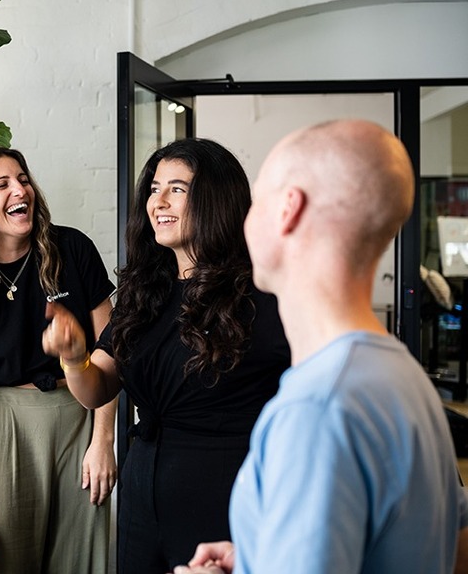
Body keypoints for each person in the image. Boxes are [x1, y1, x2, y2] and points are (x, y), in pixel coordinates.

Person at [172, 119, 468, 574]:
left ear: (288, 209)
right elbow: (453, 545)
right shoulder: (402, 374)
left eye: (257, 202)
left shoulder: (319, 407)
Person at [43, 138, 290, 574]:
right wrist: (74, 357)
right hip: (145, 488)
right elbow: (95, 389)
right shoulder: (146, 292)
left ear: (217, 199)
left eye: (177, 189)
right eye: (155, 188)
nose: (158, 201)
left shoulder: (264, 294)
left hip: (225, 491)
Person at [0, 147, 117, 574]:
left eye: (23, 179)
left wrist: (103, 440)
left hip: (79, 419)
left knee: (82, 562)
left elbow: (112, 348)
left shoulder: (72, 249)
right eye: (3, 185)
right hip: (6, 430)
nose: (21, 190)